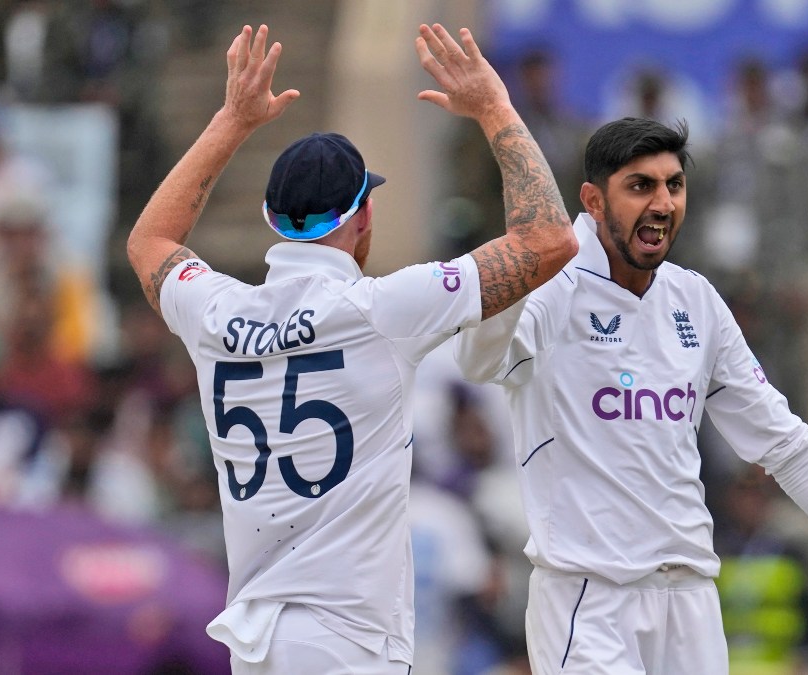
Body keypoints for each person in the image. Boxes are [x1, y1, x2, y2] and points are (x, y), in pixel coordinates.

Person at [125, 23, 578, 674]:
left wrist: (231, 120)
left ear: (271, 216)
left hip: (254, 640)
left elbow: (149, 242)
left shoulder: (217, 310)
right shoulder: (385, 308)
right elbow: (551, 241)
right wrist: (495, 107)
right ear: (362, 217)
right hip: (346, 641)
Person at [454, 117, 808, 674]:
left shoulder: (694, 299)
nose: (664, 203)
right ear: (593, 201)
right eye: (640, 186)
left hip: (691, 603)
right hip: (588, 599)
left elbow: (788, 448)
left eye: (674, 184)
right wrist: (519, 248)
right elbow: (478, 362)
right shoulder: (553, 287)